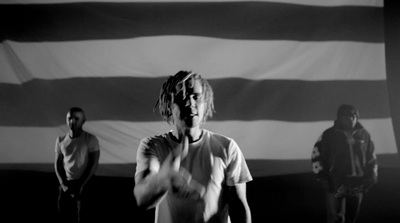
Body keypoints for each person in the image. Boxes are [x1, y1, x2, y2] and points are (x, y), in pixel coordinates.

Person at [133, 70, 253, 223]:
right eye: (182, 97)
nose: (190, 103)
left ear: (206, 103)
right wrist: (164, 178)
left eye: (196, 97)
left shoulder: (227, 147)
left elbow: (239, 207)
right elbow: (141, 198)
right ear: (169, 104)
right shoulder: (153, 145)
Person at [311, 104, 378, 223]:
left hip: (358, 184)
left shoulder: (364, 135)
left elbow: (371, 158)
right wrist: (322, 178)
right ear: (339, 118)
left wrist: (372, 176)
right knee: (336, 218)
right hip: (336, 183)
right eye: (346, 116)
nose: (351, 118)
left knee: (352, 218)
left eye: (353, 115)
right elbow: (316, 156)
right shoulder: (329, 135)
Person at [54, 107, 100, 223]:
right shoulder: (60, 140)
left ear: (83, 121)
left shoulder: (90, 139)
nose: (72, 121)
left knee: (83, 216)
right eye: (69, 118)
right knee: (64, 215)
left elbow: (93, 163)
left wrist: (82, 184)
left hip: (85, 183)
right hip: (67, 183)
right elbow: (58, 163)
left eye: (76, 118)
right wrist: (63, 183)